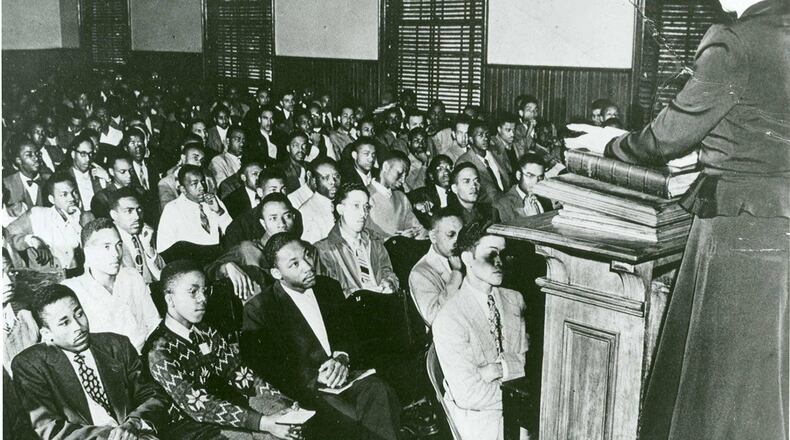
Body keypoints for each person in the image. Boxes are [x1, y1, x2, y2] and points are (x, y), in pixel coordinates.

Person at [604, 1, 789, 438]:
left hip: (736, 226)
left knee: (721, 386)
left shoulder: (733, 40)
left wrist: (610, 145)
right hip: (780, 218)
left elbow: (665, 137)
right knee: (765, 380)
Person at [242, 234, 401, 440]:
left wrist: (342, 357)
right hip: (306, 390)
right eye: (295, 264)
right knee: (352, 420)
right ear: (276, 273)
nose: (308, 266)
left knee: (380, 392)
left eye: (307, 257)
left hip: (345, 377)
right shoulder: (260, 309)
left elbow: (349, 335)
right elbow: (268, 367)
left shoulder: (328, 288)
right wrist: (314, 376)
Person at [143, 260, 303, 440]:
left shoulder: (206, 331)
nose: (203, 298)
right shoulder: (158, 350)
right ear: (169, 298)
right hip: (187, 428)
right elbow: (198, 406)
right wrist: (263, 423)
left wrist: (283, 403)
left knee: (287, 424)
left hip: (221, 413)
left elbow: (240, 374)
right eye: (193, 292)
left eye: (204, 291)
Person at [11, 284, 169, 440]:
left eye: (79, 314)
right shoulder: (29, 365)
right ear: (47, 333)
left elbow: (152, 395)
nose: (78, 327)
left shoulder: (117, 345)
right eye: (64, 322)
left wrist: (134, 424)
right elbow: (49, 428)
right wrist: (112, 436)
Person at [432, 220, 528, 440]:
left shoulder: (515, 299)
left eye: (502, 253)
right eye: (490, 254)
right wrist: (517, 383)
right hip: (478, 421)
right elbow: (469, 394)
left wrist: (496, 369)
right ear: (467, 258)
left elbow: (528, 364)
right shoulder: (449, 318)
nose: (499, 262)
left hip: (517, 413)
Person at [62, 218, 160, 353]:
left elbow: (153, 322)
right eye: (106, 246)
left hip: (144, 356)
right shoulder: (73, 289)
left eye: (118, 245)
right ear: (87, 252)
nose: (116, 254)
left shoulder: (132, 277)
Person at [315, 183, 399, 298]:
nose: (363, 213)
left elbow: (388, 271)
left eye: (366, 207)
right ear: (340, 209)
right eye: (356, 206)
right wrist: (360, 295)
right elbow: (328, 294)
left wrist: (389, 283)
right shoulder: (324, 250)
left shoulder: (373, 241)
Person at [6, 172, 94, 272]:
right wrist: (33, 240)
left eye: (74, 192)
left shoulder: (86, 218)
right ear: (52, 199)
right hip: (49, 281)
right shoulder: (37, 215)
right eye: (64, 195)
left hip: (80, 276)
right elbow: (7, 234)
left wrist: (78, 222)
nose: (72, 198)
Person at [157, 165, 232, 253]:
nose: (202, 188)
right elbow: (164, 248)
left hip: (219, 256)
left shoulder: (213, 200)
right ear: (183, 189)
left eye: (202, 182)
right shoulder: (172, 209)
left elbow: (234, 233)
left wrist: (219, 211)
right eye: (194, 184)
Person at [408, 209, 464, 326]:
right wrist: (456, 275)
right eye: (451, 235)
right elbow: (435, 319)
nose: (458, 241)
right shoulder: (420, 273)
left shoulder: (466, 258)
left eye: (461, 234)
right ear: (433, 236)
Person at [109, 188, 165, 284]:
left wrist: (148, 249)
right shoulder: (109, 242)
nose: (137, 217)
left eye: (139, 210)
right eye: (129, 211)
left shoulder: (145, 233)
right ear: (114, 215)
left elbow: (164, 274)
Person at [367, 151, 425, 239]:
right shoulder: (364, 196)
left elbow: (417, 229)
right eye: (400, 173)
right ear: (386, 166)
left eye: (405, 176)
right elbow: (365, 236)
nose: (403, 180)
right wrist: (396, 240)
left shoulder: (401, 198)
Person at [456, 121, 509, 203]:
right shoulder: (464, 162)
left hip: (507, 200)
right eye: (480, 135)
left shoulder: (496, 153)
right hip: (487, 207)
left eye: (487, 134)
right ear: (471, 139)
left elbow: (508, 178)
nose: (485, 138)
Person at [494, 153, 551, 224]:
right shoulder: (503, 205)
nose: (536, 182)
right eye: (530, 176)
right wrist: (533, 219)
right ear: (519, 175)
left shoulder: (546, 199)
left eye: (540, 177)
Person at [157, 144, 214, 209]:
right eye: (195, 158)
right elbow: (168, 210)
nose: (199, 164)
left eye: (202, 161)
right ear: (183, 158)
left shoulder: (207, 179)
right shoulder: (167, 183)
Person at [299, 158, 342, 244]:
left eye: (336, 176)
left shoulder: (343, 203)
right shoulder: (307, 211)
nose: (333, 182)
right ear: (314, 181)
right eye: (326, 177)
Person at [3, 136, 51, 211]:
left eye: (37, 153)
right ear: (18, 160)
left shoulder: (50, 180)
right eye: (29, 155)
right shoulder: (6, 185)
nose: (36, 157)